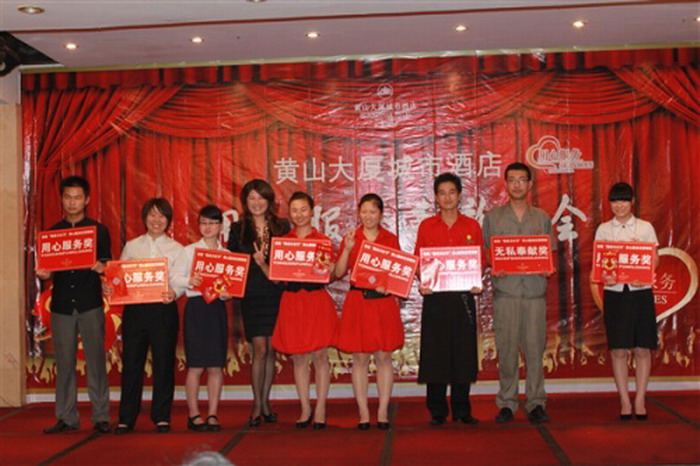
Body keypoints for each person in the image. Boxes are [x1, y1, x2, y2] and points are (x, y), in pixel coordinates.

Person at [482, 162, 556, 424]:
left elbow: (549, 253)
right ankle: (507, 402)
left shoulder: (542, 217)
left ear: (530, 184)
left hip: (534, 294)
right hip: (507, 294)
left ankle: (536, 402)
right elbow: (486, 253)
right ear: (505, 184)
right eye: (512, 180)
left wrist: (547, 267)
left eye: (521, 180)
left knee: (535, 350)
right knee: (507, 350)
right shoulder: (493, 218)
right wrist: (494, 264)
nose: (516, 185)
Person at [37, 176, 112, 434]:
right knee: (64, 363)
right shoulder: (52, 233)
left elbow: (109, 267)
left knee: (96, 361)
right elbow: (47, 269)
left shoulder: (98, 231)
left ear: (87, 200)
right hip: (61, 306)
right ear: (62, 199)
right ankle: (67, 417)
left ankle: (101, 416)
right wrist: (44, 275)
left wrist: (102, 267)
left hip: (90, 304)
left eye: (77, 197)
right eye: (68, 197)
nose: (72, 202)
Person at [414, 173, 483, 426]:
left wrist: (477, 280)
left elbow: (481, 259)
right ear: (435, 197)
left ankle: (462, 410)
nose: (447, 197)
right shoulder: (426, 226)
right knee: (436, 353)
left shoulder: (472, 226)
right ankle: (437, 410)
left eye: (451, 192)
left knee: (463, 353)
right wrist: (423, 281)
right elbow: (419, 261)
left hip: (463, 297)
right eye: (442, 193)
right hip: (436, 298)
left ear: (460, 195)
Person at [109, 198, 183, 434]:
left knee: (164, 363)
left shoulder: (177, 249)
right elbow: (119, 278)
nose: (156, 220)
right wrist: (111, 286)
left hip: (163, 310)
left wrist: (175, 292)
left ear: (168, 221)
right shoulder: (132, 247)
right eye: (152, 214)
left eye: (161, 215)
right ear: (144, 218)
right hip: (136, 311)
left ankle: (161, 416)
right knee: (132, 363)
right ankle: (126, 418)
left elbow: (179, 280)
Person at [335, 193, 404, 430]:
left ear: (381, 214)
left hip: (383, 303)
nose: (368, 216)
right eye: (364, 211)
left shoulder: (390, 239)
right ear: (358, 213)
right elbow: (338, 273)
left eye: (373, 211)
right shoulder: (351, 238)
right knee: (360, 358)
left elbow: (399, 274)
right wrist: (347, 249)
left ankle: (383, 411)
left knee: (384, 356)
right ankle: (363, 412)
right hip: (359, 303)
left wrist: (389, 285)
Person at [271, 192, 339, 430]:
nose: (299, 214)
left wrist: (330, 268)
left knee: (320, 356)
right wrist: (263, 262)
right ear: (289, 214)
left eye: (303, 209)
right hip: (292, 302)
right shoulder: (283, 242)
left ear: (312, 211)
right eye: (294, 210)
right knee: (299, 358)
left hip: (316, 301)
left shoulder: (322, 241)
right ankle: (305, 407)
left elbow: (331, 275)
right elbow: (277, 278)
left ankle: (320, 408)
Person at [592, 182, 659, 421]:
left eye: (624, 200)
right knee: (619, 349)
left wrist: (645, 273)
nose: (619, 205)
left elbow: (654, 259)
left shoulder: (645, 227)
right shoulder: (604, 230)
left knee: (642, 348)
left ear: (632, 202)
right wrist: (605, 275)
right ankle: (624, 399)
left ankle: (640, 399)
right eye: (615, 201)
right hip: (615, 294)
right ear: (610, 204)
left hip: (641, 293)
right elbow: (600, 264)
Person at [227, 180, 290, 427]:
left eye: (261, 198)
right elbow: (234, 262)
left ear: (269, 200)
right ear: (245, 202)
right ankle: (257, 404)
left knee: (271, 349)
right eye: (251, 198)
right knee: (259, 349)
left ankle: (265, 403)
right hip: (252, 294)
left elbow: (287, 261)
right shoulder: (238, 229)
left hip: (275, 293)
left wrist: (268, 264)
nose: (256, 203)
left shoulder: (281, 226)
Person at [172, 205, 231, 432]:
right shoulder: (189, 252)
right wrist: (189, 281)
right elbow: (174, 278)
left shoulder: (226, 255)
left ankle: (213, 413)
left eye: (212, 223)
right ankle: (194, 414)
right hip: (196, 309)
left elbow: (231, 288)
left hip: (216, 309)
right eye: (204, 223)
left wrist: (227, 294)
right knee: (195, 365)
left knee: (216, 365)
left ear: (220, 226)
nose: (208, 227)